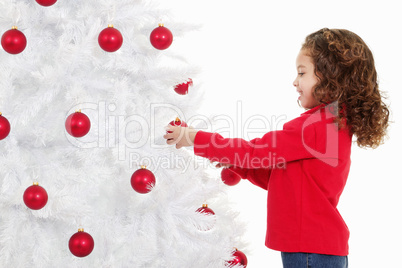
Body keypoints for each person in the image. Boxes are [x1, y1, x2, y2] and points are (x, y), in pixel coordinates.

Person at [163, 28, 389, 268]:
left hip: (310, 251)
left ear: (330, 77)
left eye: (302, 73)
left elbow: (255, 152)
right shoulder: (330, 125)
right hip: (314, 249)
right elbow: (282, 179)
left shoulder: (319, 126)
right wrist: (237, 164)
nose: (295, 81)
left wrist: (195, 138)